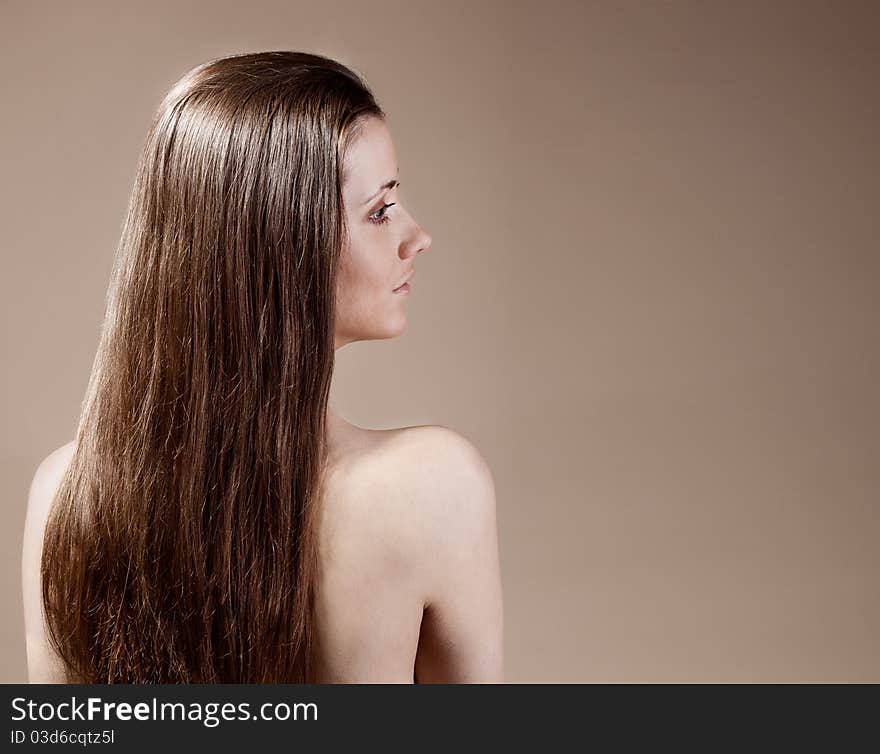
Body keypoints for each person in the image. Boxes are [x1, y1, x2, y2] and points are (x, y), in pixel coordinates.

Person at [21, 51, 503, 683]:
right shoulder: (433, 487)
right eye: (380, 210)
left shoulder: (66, 495)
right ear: (284, 244)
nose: (417, 236)